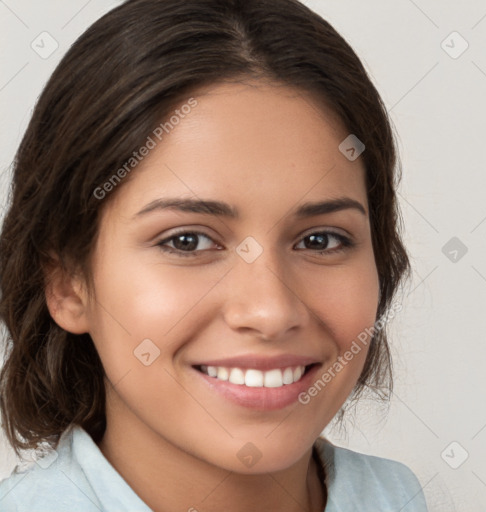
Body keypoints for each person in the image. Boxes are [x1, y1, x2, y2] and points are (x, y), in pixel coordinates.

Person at [0, 0, 428, 510]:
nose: (270, 311)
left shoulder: (399, 498)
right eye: (187, 241)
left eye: (321, 240)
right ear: (68, 283)